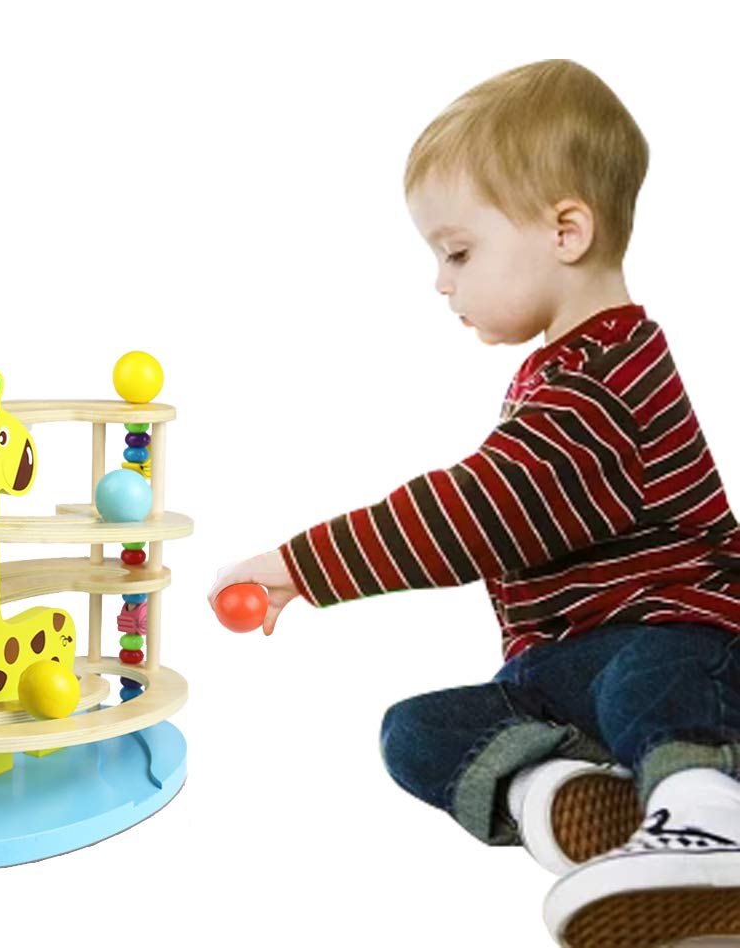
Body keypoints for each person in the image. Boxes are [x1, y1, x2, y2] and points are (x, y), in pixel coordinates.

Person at [206, 60, 740, 947]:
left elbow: (473, 511)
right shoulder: (560, 372)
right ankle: (560, 796)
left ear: (565, 230)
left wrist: (300, 566)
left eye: (458, 252)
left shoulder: (608, 384)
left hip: (685, 648)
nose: (441, 281)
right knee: (416, 730)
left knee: (649, 671)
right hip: (563, 674)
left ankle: (704, 808)